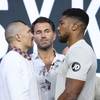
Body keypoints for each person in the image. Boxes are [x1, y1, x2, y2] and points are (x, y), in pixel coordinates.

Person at [55, 8, 97, 100]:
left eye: (62, 23)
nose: (58, 28)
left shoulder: (80, 51)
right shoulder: (76, 50)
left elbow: (71, 94)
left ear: (74, 26)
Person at [0, 21, 39, 100]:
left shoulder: (23, 59)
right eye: (29, 32)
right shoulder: (12, 60)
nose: (32, 35)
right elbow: (18, 96)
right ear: (18, 37)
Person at [31, 17, 64, 100]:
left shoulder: (65, 60)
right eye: (38, 32)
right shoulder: (27, 62)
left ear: (54, 36)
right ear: (33, 38)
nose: (43, 36)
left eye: (47, 31)